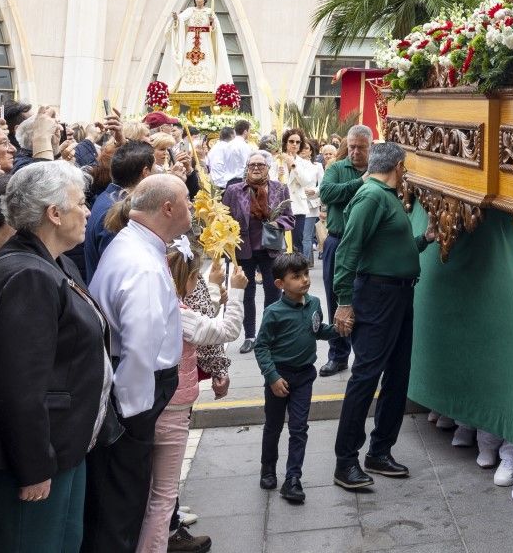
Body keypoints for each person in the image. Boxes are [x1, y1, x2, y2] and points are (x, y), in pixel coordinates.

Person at [0, 162, 111, 553]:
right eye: (81, 203)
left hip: (64, 447)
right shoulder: (29, 275)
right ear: (54, 213)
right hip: (34, 458)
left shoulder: (55, 261)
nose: (88, 212)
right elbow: (20, 385)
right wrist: (34, 467)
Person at [84, 175, 194, 553]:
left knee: (123, 497)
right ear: (167, 208)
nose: (191, 208)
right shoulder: (141, 262)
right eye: (186, 201)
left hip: (132, 388)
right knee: (123, 501)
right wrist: (135, 415)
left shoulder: (136, 245)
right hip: (134, 394)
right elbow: (139, 348)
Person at [331, 141, 435, 491]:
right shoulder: (371, 196)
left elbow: (390, 246)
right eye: (405, 167)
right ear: (399, 166)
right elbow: (349, 249)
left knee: (398, 374)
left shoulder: (384, 196)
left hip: (398, 293)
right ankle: (345, 461)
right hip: (376, 295)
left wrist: (424, 240)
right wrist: (344, 301)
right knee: (366, 376)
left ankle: (379, 451)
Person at [139, 245, 240, 553]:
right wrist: (235, 293)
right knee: (165, 494)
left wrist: (210, 285)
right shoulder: (179, 314)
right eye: (195, 278)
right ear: (186, 278)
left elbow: (200, 317)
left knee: (149, 490)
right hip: (174, 409)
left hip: (150, 405)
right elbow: (227, 329)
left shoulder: (155, 304)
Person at [255, 251, 338, 505]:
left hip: (304, 377)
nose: (304, 280)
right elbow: (261, 347)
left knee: (299, 428)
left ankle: (293, 479)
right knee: (274, 426)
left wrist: (337, 331)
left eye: (305, 275)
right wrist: (272, 377)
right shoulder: (273, 312)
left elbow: (317, 330)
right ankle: (268, 468)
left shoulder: (314, 303)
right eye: (296, 277)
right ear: (280, 284)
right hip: (279, 377)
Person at [223, 150, 293, 353]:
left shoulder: (280, 188)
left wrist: (276, 222)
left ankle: (268, 335)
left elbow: (290, 218)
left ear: (268, 168)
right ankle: (250, 336)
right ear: (246, 168)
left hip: (270, 248)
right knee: (246, 293)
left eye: (260, 165)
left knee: (274, 290)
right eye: (252, 165)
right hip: (243, 249)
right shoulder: (234, 190)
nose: (255, 168)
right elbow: (223, 217)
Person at [317, 125, 372, 376]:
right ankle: (338, 355)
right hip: (337, 242)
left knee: (363, 300)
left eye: (360, 147)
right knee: (334, 298)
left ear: (370, 147)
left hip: (367, 247)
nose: (355, 152)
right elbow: (327, 193)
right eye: (351, 146)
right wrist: (360, 182)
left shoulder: (378, 172)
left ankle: (363, 356)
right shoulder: (337, 168)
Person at [84, 140, 154, 282]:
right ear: (146, 173)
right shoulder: (117, 210)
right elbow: (121, 273)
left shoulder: (108, 197)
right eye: (155, 169)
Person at [273, 129, 318, 263]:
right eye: (291, 141)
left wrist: (293, 165)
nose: (294, 144)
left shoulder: (304, 163)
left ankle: (296, 270)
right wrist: (278, 174)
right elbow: (271, 182)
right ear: (285, 143)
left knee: (297, 242)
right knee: (279, 243)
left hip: (298, 207)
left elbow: (306, 181)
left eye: (298, 142)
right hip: (279, 208)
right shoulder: (277, 161)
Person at [204, 126, 246, 190]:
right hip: (225, 184)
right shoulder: (230, 148)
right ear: (232, 136)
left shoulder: (213, 148)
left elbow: (207, 163)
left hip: (214, 183)